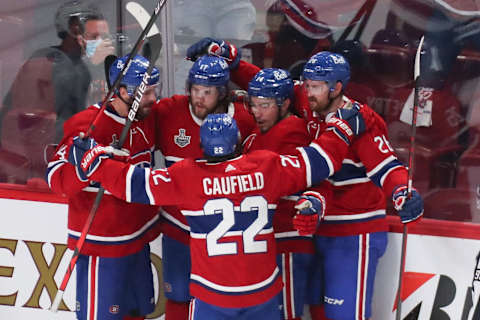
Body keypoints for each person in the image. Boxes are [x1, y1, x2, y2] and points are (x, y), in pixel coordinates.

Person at [186, 38, 425, 320]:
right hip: (313, 230)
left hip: (353, 232)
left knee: (346, 315)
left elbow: (387, 167)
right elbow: (267, 87)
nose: (306, 91)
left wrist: (402, 192)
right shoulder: (308, 99)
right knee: (315, 311)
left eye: (314, 86)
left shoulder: (359, 119)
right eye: (306, 84)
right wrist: (233, 60)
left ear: (336, 88)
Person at [65, 110, 366, 319]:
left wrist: (94, 164)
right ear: (237, 141)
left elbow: (135, 185)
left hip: (213, 298)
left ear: (201, 145)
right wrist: (341, 130)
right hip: (262, 294)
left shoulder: (187, 176)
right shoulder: (266, 166)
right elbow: (318, 161)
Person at [46, 54, 162, 320]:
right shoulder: (87, 126)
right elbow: (55, 178)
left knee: (137, 314)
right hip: (103, 244)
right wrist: (85, 166)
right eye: (147, 93)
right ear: (122, 91)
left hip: (138, 238)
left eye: (155, 90)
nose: (154, 99)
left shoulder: (149, 117)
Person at [150, 54, 257, 319]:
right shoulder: (169, 111)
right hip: (178, 229)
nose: (199, 97)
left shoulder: (243, 119)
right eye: (195, 90)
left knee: (219, 302)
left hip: (221, 236)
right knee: (177, 295)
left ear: (222, 93)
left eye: (207, 92)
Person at [0, 1, 114, 184]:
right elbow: (34, 123)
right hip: (34, 169)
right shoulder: (53, 64)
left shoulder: (79, 67)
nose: (100, 42)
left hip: (51, 160)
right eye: (95, 36)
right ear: (75, 30)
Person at [242, 68, 321, 320]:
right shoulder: (254, 135)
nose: (257, 112)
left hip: (288, 240)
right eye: (253, 105)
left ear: (285, 103)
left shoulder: (295, 131)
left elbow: (277, 183)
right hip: (265, 242)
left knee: (287, 314)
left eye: (264, 105)